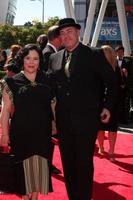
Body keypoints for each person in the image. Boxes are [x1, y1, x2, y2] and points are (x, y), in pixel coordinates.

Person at [48, 18, 117, 200]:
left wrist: (107, 106)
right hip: (63, 121)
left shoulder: (94, 54)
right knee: (68, 164)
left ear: (78, 32)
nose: (66, 35)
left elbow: (112, 82)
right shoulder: (54, 58)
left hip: (87, 121)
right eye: (62, 33)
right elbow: (49, 87)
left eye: (69, 31)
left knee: (84, 163)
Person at [0, 44, 53, 200]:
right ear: (21, 60)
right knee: (24, 176)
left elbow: (53, 105)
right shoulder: (11, 82)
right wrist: (4, 135)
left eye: (35, 58)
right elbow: (5, 111)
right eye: (28, 58)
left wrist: (58, 127)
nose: (31, 62)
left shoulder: (47, 80)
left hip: (42, 134)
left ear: (40, 61)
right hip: (21, 134)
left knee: (37, 173)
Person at [97, 45, 122, 162]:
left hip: (111, 102)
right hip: (103, 101)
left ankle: (109, 150)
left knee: (110, 128)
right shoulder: (98, 68)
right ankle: (103, 148)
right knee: (101, 127)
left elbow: (120, 86)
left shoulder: (116, 69)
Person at [43, 25, 62, 175]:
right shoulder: (48, 54)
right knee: (49, 135)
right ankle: (46, 165)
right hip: (49, 102)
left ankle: (47, 164)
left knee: (50, 135)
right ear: (57, 38)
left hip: (50, 101)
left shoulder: (49, 52)